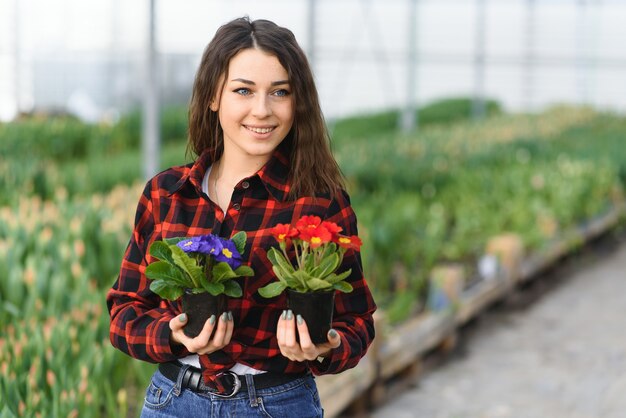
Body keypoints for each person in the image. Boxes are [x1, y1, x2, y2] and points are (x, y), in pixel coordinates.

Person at [107, 16, 376, 417]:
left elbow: (358, 321)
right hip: (173, 401)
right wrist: (172, 334)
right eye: (243, 90)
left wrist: (326, 345)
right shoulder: (167, 194)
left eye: (279, 92)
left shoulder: (320, 202)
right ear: (214, 96)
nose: (262, 110)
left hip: (277, 402)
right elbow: (125, 311)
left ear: (297, 101)